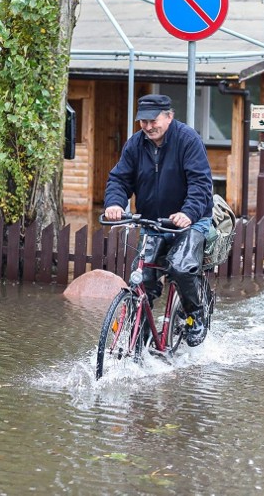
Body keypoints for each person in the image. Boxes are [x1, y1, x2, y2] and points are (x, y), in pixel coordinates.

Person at [104, 94, 214, 346]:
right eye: (142, 121)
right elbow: (120, 179)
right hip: (153, 223)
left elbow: (200, 183)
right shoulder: (135, 144)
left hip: (190, 220)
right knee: (142, 278)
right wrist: (114, 203)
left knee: (180, 266)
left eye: (153, 120)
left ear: (169, 116)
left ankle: (195, 315)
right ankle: (139, 335)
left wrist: (188, 213)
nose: (148, 126)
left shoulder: (188, 140)